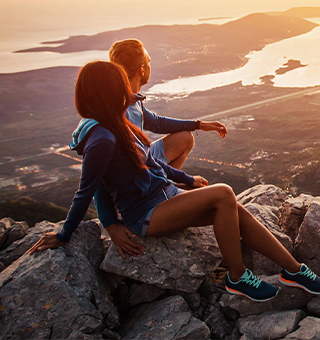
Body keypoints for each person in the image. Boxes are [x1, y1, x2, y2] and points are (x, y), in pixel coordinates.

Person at [29, 61, 320, 302]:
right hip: (146, 215)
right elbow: (89, 189)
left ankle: (294, 271)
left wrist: (187, 180)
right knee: (224, 194)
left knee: (234, 209)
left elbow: (151, 162)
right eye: (120, 85)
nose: (127, 91)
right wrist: (77, 231)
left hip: (164, 198)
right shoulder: (101, 138)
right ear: (109, 91)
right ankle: (237, 277)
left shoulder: (117, 123)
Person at [109, 38, 227, 170]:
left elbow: (156, 123)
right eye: (148, 62)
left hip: (141, 157)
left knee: (185, 138)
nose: (149, 65)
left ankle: (167, 184)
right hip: (134, 168)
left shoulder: (131, 100)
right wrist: (187, 179)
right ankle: (163, 187)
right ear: (141, 69)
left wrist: (198, 125)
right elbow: (130, 162)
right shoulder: (124, 110)